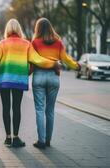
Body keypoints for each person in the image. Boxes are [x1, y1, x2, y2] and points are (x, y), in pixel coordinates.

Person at [0, 19, 56, 148]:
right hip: (19, 81)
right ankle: (16, 138)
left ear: (7, 29)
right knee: (16, 108)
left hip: (4, 80)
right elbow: (37, 60)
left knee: (6, 108)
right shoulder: (26, 44)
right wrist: (53, 63)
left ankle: (8, 138)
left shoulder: (2, 44)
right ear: (19, 29)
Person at [31, 18, 80, 149]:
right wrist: (76, 66)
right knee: (50, 110)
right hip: (53, 78)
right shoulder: (58, 43)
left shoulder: (35, 43)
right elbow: (66, 59)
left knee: (39, 110)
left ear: (38, 29)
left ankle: (41, 141)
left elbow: (31, 60)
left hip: (39, 77)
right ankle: (48, 140)